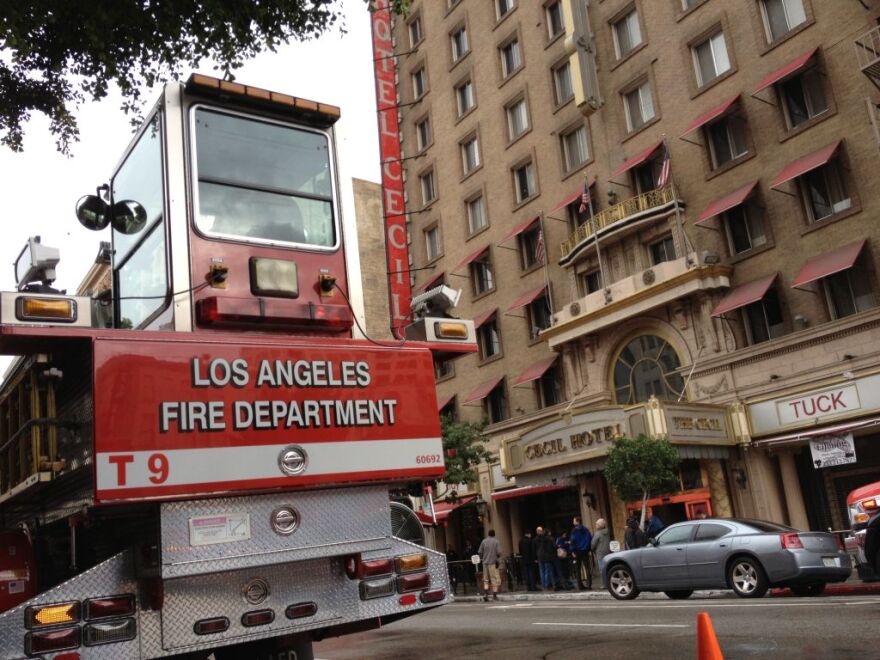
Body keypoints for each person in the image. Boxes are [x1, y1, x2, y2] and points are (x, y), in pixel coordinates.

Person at [477, 529, 502, 601]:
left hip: (485, 563)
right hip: (492, 563)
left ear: (488, 534)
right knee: (494, 578)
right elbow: (499, 553)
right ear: (494, 534)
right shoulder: (496, 541)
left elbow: (480, 552)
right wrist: (496, 558)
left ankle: (486, 593)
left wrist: (483, 558)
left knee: (485, 579)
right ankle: (494, 595)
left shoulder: (484, 541)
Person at [570, 516, 593, 589]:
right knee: (587, 568)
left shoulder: (574, 530)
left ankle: (580, 585)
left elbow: (573, 540)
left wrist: (572, 551)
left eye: (574, 520)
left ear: (577, 521)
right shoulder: (586, 530)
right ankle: (589, 585)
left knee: (578, 568)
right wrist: (589, 549)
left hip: (577, 551)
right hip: (585, 551)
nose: (573, 522)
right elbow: (589, 539)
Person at [534, 526, 556, 591]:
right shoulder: (546, 539)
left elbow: (535, 549)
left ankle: (544, 585)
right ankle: (546, 585)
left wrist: (535, 557)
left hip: (540, 556)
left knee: (542, 571)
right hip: (545, 556)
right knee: (546, 571)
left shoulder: (536, 539)